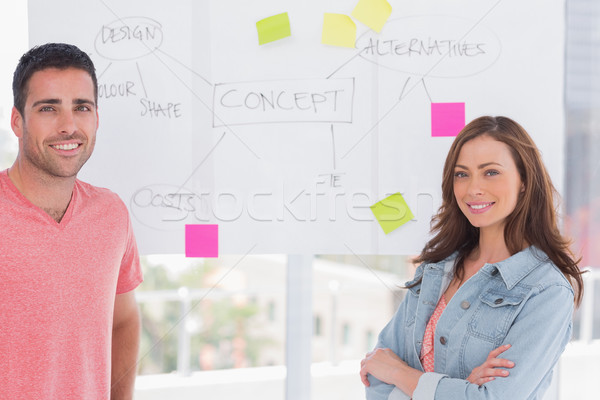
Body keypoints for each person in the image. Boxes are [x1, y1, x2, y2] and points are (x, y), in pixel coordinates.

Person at [360, 116, 584, 399]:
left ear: (524, 181)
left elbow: (492, 397)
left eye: (491, 172)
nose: (472, 188)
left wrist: (400, 374)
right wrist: (461, 388)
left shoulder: (547, 291)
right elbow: (375, 373)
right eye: (462, 174)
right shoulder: (436, 267)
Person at [0, 43, 143, 399]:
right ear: (18, 121)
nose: (68, 126)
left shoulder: (112, 215)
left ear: (96, 118)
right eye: (48, 108)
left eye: (81, 107)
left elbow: (122, 321)